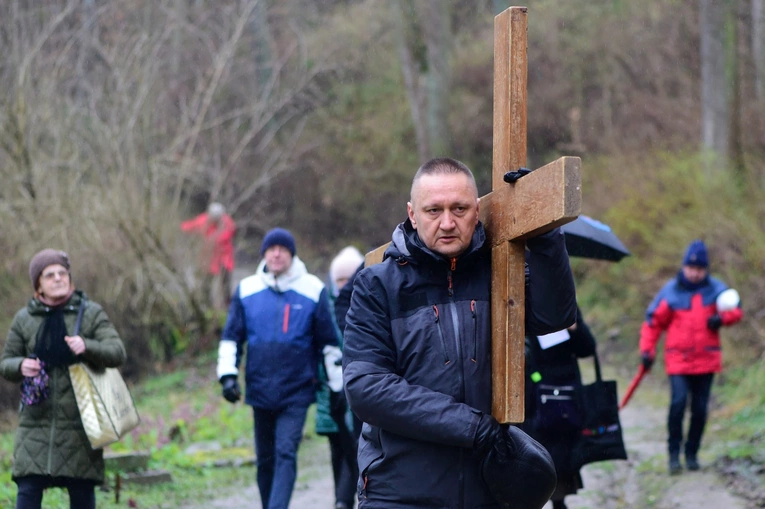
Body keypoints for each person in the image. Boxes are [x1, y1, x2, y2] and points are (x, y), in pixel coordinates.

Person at [342, 157, 578, 509]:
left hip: (488, 490)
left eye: (460, 208)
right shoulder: (378, 285)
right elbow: (366, 389)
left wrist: (544, 233)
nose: (448, 222)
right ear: (412, 214)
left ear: (477, 210)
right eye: (433, 210)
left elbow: (554, 316)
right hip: (399, 493)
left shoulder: (500, 274)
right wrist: (473, 428)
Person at [216, 228, 339, 509]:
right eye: (271, 249)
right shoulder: (247, 289)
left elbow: (328, 343)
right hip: (260, 389)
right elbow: (231, 337)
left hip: (296, 391)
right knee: (265, 459)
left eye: (283, 249)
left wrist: (336, 386)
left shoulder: (312, 288)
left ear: (292, 255)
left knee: (285, 452)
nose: (276, 253)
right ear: (264, 254)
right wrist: (227, 375)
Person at [0, 249, 127, 509]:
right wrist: (21, 365)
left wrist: (87, 346)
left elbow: (117, 353)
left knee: (81, 497)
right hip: (34, 427)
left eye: (62, 273)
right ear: (38, 284)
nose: (58, 278)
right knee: (27, 494)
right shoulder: (24, 319)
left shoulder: (90, 313)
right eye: (50, 275)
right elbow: (6, 363)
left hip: (80, 427)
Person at [639, 239, 743, 474]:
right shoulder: (670, 291)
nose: (695, 273)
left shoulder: (717, 290)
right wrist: (647, 350)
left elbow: (737, 310)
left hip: (706, 360)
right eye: (691, 268)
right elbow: (653, 323)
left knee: (700, 409)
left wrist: (722, 319)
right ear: (684, 267)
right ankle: (674, 455)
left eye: (700, 269)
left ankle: (692, 453)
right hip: (678, 360)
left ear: (705, 270)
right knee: (678, 404)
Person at [522, 307, 597, 509]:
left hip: (566, 395)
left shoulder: (566, 306)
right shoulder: (519, 304)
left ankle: (559, 501)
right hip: (533, 394)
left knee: (562, 456)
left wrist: (575, 328)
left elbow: (587, 348)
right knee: (533, 453)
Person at [314, 246, 365, 509]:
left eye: (349, 279)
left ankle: (345, 500)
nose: (345, 285)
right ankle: (341, 499)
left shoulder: (366, 305)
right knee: (340, 450)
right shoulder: (326, 307)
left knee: (356, 446)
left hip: (355, 386)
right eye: (340, 280)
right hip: (332, 390)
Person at [181, 202, 236, 307]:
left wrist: (210, 240)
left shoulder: (227, 223)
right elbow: (190, 226)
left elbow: (224, 236)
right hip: (209, 259)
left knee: (225, 284)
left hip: (224, 258)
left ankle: (227, 305)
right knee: (206, 283)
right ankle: (207, 304)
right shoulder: (203, 220)